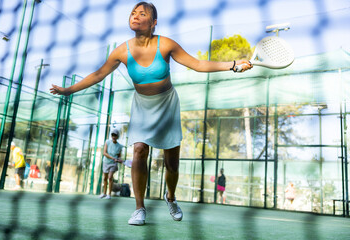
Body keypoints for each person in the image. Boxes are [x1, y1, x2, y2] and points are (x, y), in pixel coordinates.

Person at [49, 2, 252, 225]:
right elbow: (98, 75)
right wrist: (67, 90)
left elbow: (197, 64)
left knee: (171, 162)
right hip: (142, 106)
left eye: (142, 14)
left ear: (153, 23)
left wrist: (233, 64)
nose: (135, 16)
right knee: (139, 150)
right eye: (133, 13)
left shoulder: (165, 45)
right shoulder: (121, 51)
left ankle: (171, 197)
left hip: (167, 104)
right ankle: (139, 208)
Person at [99, 128, 123, 200]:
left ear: (117, 136)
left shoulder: (119, 146)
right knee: (105, 178)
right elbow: (104, 153)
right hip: (106, 162)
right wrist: (112, 158)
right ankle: (104, 193)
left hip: (113, 164)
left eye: (115, 135)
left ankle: (109, 194)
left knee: (110, 177)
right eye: (112, 135)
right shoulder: (107, 142)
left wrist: (118, 160)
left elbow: (119, 156)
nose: (113, 136)